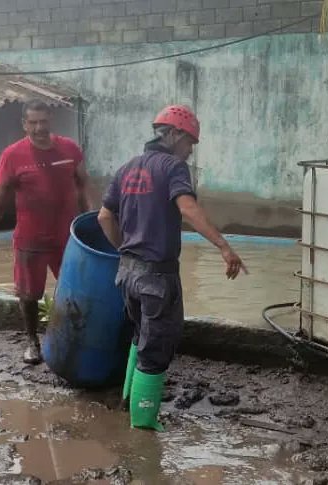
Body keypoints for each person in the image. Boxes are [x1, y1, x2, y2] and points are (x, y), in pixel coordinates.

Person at [97, 105, 247, 432]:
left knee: (140, 337)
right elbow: (188, 208)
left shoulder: (126, 168)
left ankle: (128, 402)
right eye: (190, 142)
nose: (191, 151)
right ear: (175, 134)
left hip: (127, 273)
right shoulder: (173, 167)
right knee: (156, 350)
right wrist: (224, 246)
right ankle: (144, 426)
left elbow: (104, 217)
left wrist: (123, 249)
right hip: (157, 277)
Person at [0, 99, 92, 365]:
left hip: (67, 238)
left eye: (43, 121)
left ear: (50, 120)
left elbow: (84, 184)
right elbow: (0, 196)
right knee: (29, 295)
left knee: (76, 290)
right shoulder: (12, 155)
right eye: (32, 122)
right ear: (24, 124)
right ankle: (32, 341)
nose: (38, 128)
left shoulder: (69, 149)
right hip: (30, 239)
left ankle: (70, 338)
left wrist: (93, 218)